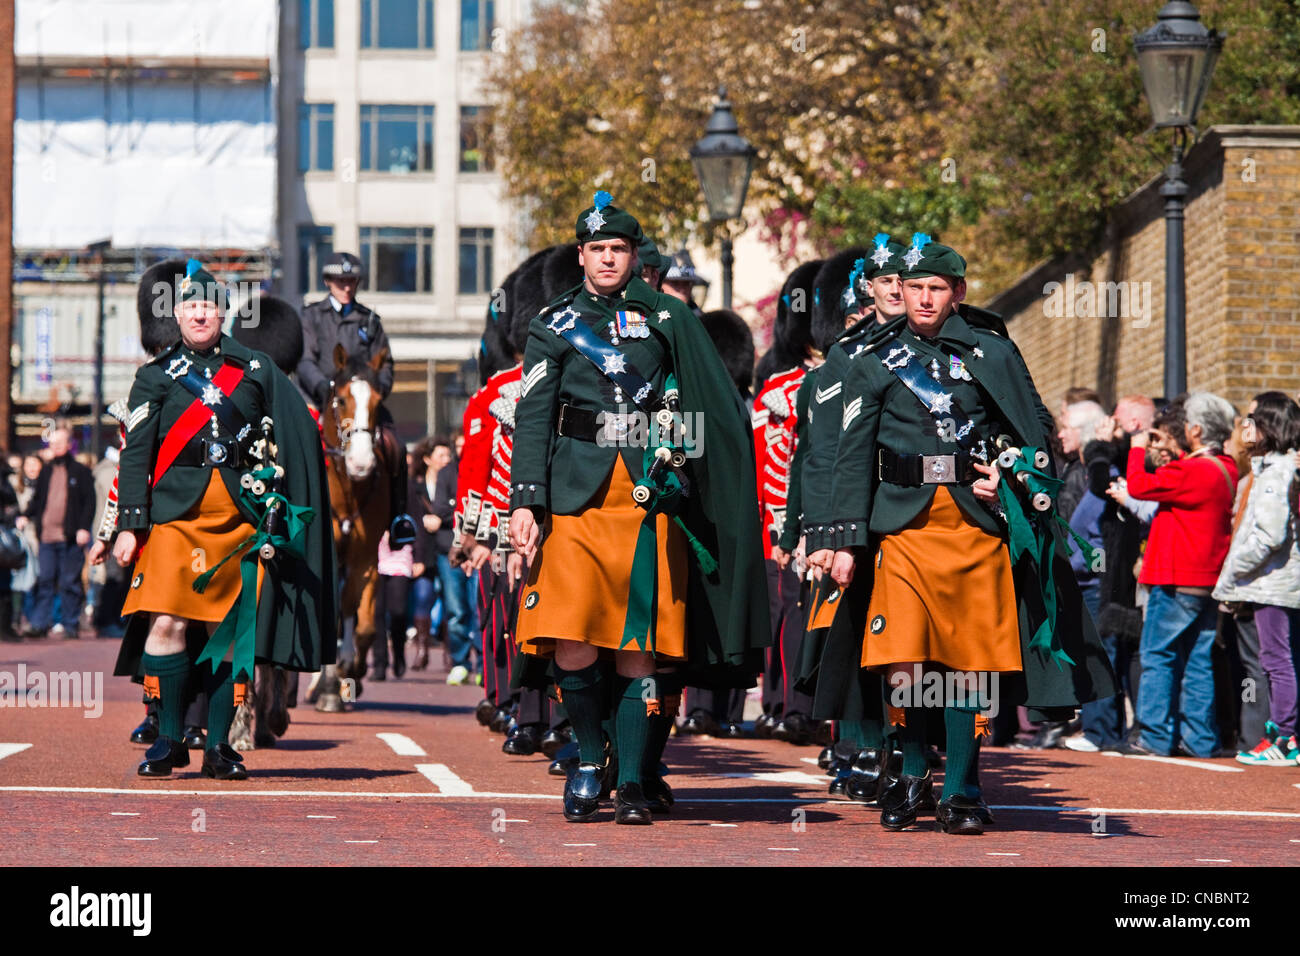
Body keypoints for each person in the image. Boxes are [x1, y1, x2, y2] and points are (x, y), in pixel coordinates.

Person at [828, 234, 1116, 834]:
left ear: (956, 293)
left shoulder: (993, 353)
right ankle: (911, 774)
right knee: (902, 659)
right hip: (903, 529)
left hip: (977, 528)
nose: (926, 299)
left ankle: (961, 789)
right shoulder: (872, 361)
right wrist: (846, 541)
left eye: (937, 289)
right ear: (899, 291)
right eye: (915, 289)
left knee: (968, 665)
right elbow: (849, 455)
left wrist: (1009, 478)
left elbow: (1037, 436)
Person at [508, 192, 769, 824]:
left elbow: (707, 408)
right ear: (581, 255)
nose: (606, 258)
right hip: (574, 498)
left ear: (632, 255)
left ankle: (630, 781)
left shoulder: (671, 320)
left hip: (648, 503)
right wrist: (526, 501)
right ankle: (591, 760)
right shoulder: (553, 324)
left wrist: (685, 457)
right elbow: (536, 418)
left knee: (638, 647)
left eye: (617, 249)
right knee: (571, 637)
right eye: (596, 248)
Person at [112, 259, 336, 779]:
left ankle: (219, 746)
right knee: (166, 621)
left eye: (208, 305)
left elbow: (295, 436)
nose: (199, 314)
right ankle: (168, 739)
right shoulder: (153, 376)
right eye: (190, 305)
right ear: (178, 313)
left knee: (227, 631)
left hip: (239, 521)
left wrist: (286, 505)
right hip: (174, 517)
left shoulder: (257, 370)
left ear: (222, 312)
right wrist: (129, 523)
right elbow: (136, 454)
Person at [1125, 392, 1238, 758]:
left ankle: (1156, 737)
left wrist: (1137, 447)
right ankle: (1200, 738)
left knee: (1158, 656)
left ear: (1197, 430)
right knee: (1198, 660)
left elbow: (1139, 485)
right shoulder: (1225, 467)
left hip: (1176, 579)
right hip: (1206, 581)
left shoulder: (1193, 470)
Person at [297, 251, 415, 546]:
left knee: (395, 447)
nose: (346, 287)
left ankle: (399, 519)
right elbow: (305, 360)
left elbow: (385, 364)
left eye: (351, 281)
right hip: (321, 399)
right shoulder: (310, 316)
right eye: (340, 281)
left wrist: (377, 390)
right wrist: (324, 387)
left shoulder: (370, 319)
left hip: (363, 405)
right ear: (328, 282)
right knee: (296, 447)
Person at [1212, 392, 1300, 765]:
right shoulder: (1273, 470)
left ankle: (1284, 737)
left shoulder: (1276, 474)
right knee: (1278, 659)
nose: (1244, 426)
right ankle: (1281, 733)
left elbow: (1268, 536)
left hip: (1273, 585)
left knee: (1276, 660)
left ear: (1269, 425)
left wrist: (1231, 573)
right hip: (1273, 583)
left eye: (1252, 419)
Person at [17, 422, 95, 638]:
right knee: (45, 580)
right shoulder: (47, 471)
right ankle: (39, 623)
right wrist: (25, 515)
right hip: (47, 537)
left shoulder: (81, 471)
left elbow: (89, 502)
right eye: (52, 443)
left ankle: (70, 625)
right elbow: (38, 500)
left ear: (69, 444)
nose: (56, 446)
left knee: (70, 582)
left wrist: (83, 528)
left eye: (60, 442)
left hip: (70, 536)